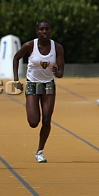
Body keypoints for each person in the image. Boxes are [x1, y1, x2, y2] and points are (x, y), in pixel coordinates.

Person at [12, 19, 65, 163]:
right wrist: (16, 80)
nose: (44, 32)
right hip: (33, 83)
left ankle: (40, 151)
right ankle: (32, 108)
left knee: (47, 119)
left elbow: (61, 74)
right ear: (37, 31)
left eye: (47, 29)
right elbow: (16, 58)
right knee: (34, 122)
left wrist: (56, 72)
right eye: (41, 29)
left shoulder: (57, 48)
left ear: (50, 30)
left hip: (48, 84)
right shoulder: (30, 45)